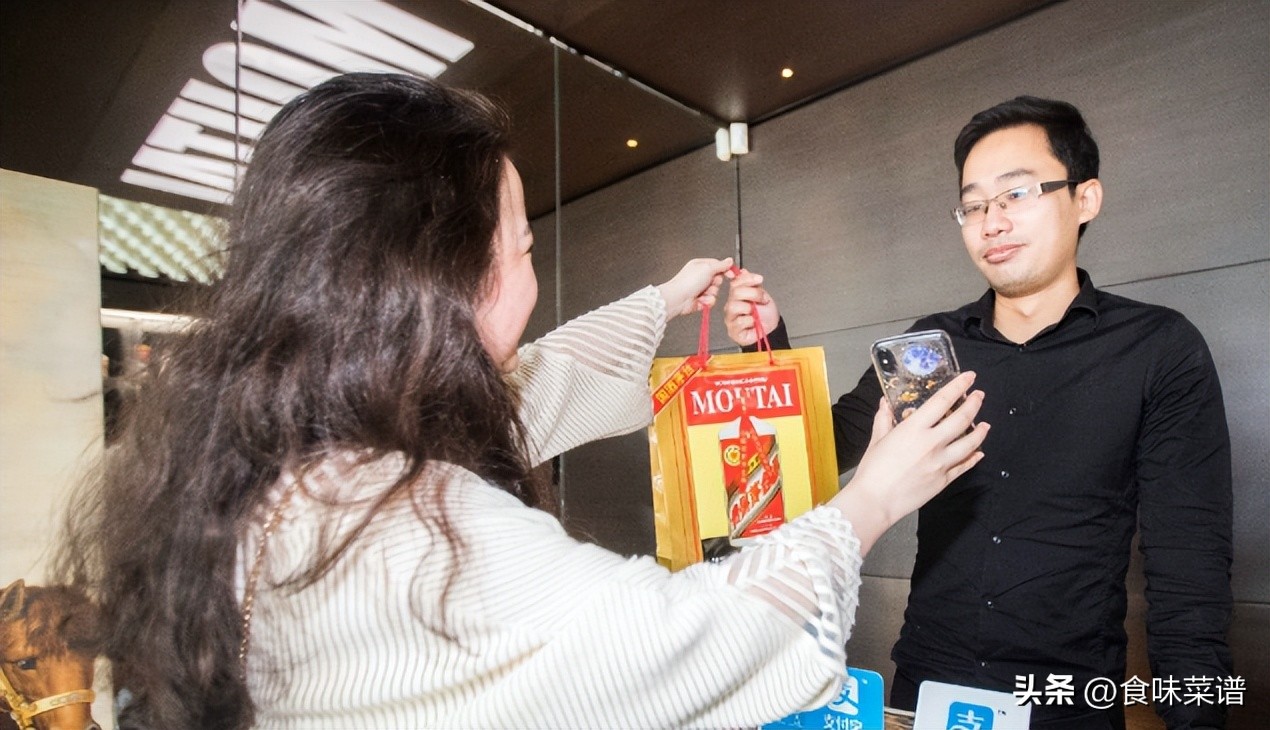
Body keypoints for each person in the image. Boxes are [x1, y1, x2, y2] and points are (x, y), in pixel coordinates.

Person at [54, 72, 989, 730]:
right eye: (525, 246)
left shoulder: (286, 444)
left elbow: (525, 385)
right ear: (445, 275)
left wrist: (664, 301)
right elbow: (672, 647)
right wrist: (869, 499)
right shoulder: (407, 524)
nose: (533, 274)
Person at [725, 96, 1233, 729]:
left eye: (1016, 195)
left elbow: (1190, 571)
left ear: (1085, 198)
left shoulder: (1158, 348)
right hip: (922, 693)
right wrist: (767, 348)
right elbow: (815, 456)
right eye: (972, 205)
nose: (991, 223)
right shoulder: (926, 349)